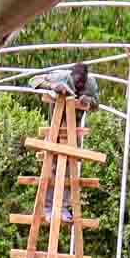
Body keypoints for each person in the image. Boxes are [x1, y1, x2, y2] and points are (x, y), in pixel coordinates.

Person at [30, 62, 97, 221]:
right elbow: (33, 80)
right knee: (51, 166)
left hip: (74, 130)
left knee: (70, 167)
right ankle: (47, 207)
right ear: (71, 77)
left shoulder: (91, 84)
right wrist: (53, 86)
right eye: (76, 83)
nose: (79, 85)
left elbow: (96, 105)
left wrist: (89, 101)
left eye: (82, 83)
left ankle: (64, 208)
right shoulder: (61, 76)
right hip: (57, 126)